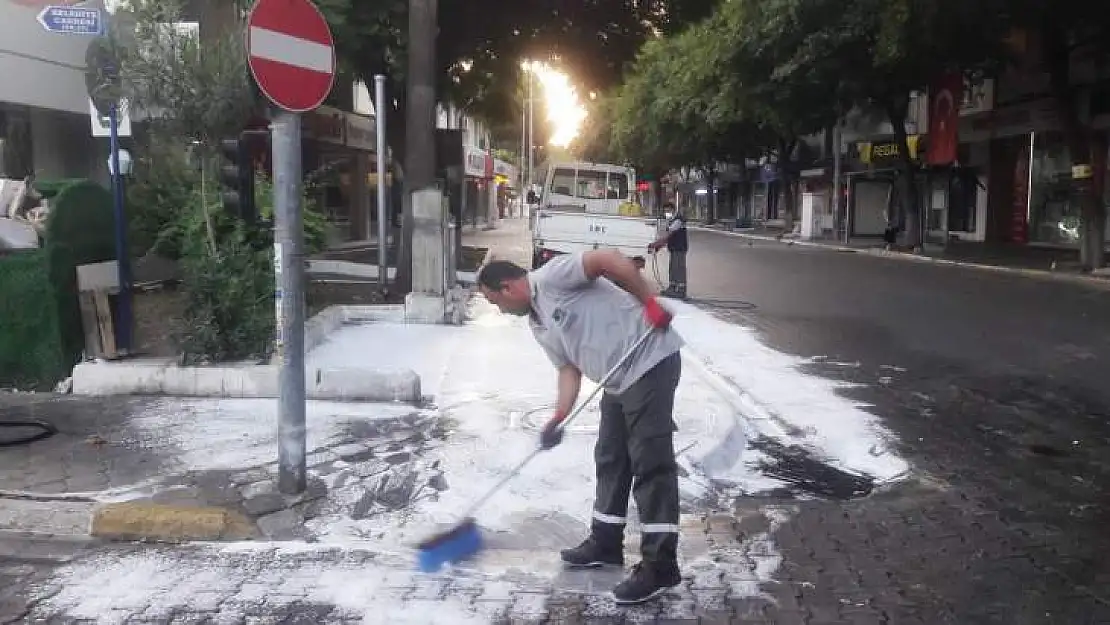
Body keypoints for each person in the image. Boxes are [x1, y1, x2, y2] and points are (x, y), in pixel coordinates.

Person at [477, 250, 685, 605]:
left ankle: (660, 565)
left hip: (649, 360)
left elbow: (607, 260)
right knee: (610, 458)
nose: (498, 309)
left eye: (494, 300)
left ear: (508, 287)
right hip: (617, 380)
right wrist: (558, 417)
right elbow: (568, 370)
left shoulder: (554, 276)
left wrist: (649, 302)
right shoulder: (538, 323)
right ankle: (605, 542)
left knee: (650, 464)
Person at [648, 203, 688, 299]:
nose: (667, 213)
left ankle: (681, 291)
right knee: (673, 268)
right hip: (673, 248)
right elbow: (666, 237)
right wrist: (657, 247)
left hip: (679, 248)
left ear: (673, 210)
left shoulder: (678, 220)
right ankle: (672, 288)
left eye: (668, 211)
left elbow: (668, 235)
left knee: (678, 268)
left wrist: (656, 244)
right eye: (665, 211)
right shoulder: (670, 220)